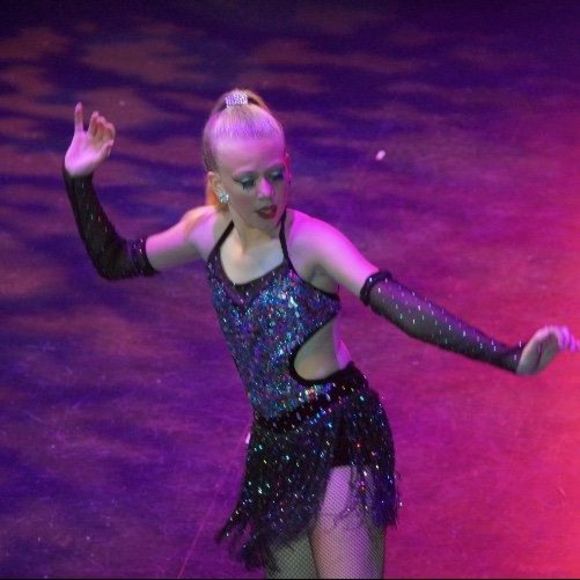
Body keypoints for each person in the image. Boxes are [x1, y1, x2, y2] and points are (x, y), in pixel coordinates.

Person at [62, 89, 578, 579]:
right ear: (218, 184)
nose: (267, 193)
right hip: (275, 443)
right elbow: (115, 260)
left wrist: (509, 356)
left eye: (276, 175)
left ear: (288, 165)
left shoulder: (312, 242)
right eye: (247, 182)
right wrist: (79, 180)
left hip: (338, 431)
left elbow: (397, 305)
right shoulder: (203, 232)